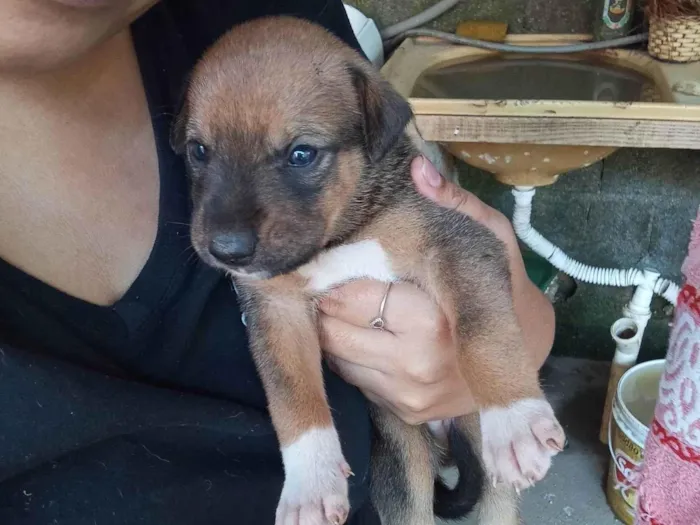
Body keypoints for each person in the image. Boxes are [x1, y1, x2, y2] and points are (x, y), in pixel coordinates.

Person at [0, 1, 555, 523]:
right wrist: (310, 467)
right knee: (401, 476)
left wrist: (506, 377)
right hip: (387, 436)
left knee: (499, 496)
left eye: (299, 156)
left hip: (467, 387)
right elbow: (277, 322)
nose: (231, 238)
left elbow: (468, 254)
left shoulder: (293, 48)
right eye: (201, 153)